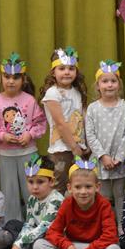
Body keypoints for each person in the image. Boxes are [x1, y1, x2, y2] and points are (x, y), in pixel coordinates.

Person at [33, 157, 121, 249]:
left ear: (97, 187)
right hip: (73, 246)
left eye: (88, 187)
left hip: (93, 247)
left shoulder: (104, 205)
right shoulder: (67, 204)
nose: (83, 192)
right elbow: (52, 232)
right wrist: (68, 247)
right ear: (69, 188)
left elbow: (110, 236)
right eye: (78, 187)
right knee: (38, 245)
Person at [0, 53, 46, 223]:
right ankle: (12, 225)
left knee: (32, 189)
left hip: (28, 153)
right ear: (0, 78)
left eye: (16, 77)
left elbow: (41, 123)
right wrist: (2, 135)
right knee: (9, 191)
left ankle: (36, 223)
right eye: (7, 77)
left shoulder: (30, 100)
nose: (11, 81)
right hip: (6, 155)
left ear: (23, 79)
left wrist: (30, 134)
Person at [85, 60, 125, 226]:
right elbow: (90, 135)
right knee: (103, 196)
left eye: (113, 81)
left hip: (119, 161)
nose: (109, 85)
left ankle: (122, 226)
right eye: (105, 81)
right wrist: (103, 156)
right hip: (101, 161)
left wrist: (119, 157)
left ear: (119, 84)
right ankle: (106, 226)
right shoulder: (93, 108)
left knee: (119, 194)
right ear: (98, 85)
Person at [40, 47, 88, 193]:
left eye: (71, 68)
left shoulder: (77, 92)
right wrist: (74, 147)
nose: (67, 72)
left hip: (78, 148)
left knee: (79, 186)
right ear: (53, 72)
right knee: (59, 187)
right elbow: (60, 124)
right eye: (62, 68)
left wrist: (85, 143)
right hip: (61, 150)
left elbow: (83, 118)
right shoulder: (52, 93)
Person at [5, 154, 63, 249]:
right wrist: (18, 243)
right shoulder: (32, 199)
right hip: (37, 234)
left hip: (52, 237)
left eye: (40, 182)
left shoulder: (56, 200)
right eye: (30, 182)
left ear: (51, 181)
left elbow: (43, 227)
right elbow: (29, 224)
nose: (35, 187)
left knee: (38, 243)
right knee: (12, 224)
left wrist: (18, 244)